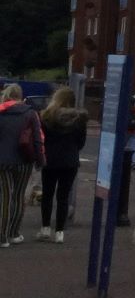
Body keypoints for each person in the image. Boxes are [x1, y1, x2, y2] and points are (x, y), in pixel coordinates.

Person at [36, 88, 87, 243]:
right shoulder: (79, 119)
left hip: (50, 160)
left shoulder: (45, 116)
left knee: (48, 194)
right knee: (63, 196)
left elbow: (42, 138)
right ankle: (60, 232)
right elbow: (81, 142)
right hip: (69, 161)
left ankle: (45, 228)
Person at [0, 83, 47, 248]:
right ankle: (14, 233)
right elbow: (37, 139)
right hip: (24, 161)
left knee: (4, 197)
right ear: (20, 96)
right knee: (19, 196)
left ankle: (2, 237)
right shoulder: (31, 114)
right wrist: (40, 160)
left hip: (2, 162)